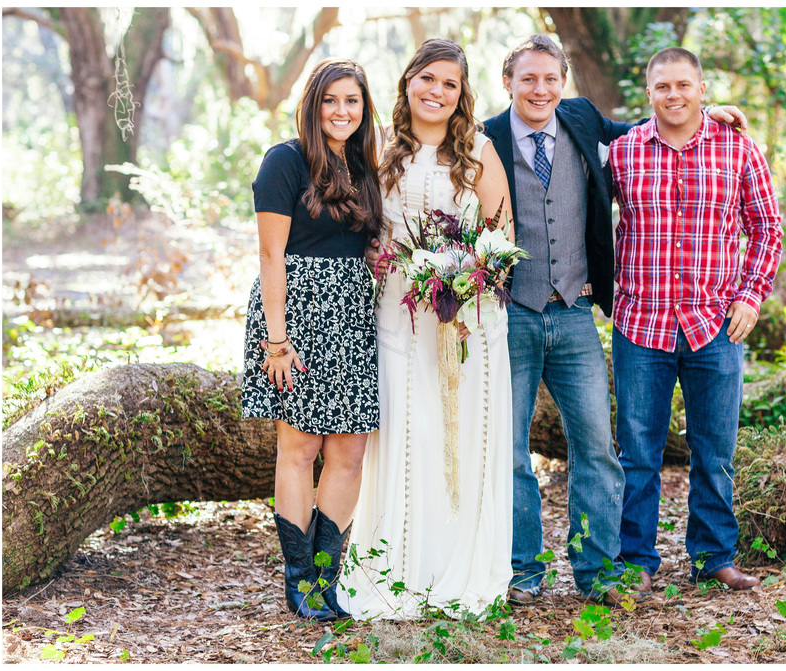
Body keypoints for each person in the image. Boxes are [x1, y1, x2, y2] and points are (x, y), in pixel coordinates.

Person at [482, 35, 749, 605]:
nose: (540, 89)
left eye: (550, 78)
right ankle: (522, 569)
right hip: (510, 314)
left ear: (564, 82)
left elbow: (653, 127)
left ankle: (598, 569)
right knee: (508, 450)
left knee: (599, 449)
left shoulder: (582, 121)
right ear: (508, 81)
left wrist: (705, 112)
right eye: (528, 78)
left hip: (577, 312)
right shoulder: (484, 138)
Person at [340, 38, 515, 620]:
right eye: (428, 79)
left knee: (465, 438)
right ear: (408, 81)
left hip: (470, 322)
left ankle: (460, 565)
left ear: (462, 94)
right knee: (407, 433)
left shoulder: (479, 151)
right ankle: (400, 565)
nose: (437, 92)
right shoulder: (379, 149)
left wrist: (468, 280)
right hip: (397, 313)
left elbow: (501, 237)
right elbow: (365, 236)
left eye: (450, 84)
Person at [609, 47, 783, 592]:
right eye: (663, 87)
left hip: (716, 324)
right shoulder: (621, 153)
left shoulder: (738, 149)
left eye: (684, 85)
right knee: (637, 452)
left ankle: (714, 557)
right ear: (649, 92)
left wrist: (751, 296)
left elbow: (767, 228)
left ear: (702, 89)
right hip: (641, 324)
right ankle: (634, 560)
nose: (674, 95)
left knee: (715, 450)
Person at [241, 58, 384, 621]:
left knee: (349, 452)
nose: (341, 111)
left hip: (351, 314)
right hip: (295, 314)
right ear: (313, 104)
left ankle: (327, 580)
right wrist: (277, 341)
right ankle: (298, 580)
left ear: (363, 107)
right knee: (299, 450)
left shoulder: (365, 165)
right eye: (331, 100)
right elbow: (270, 254)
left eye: (352, 101)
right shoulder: (286, 159)